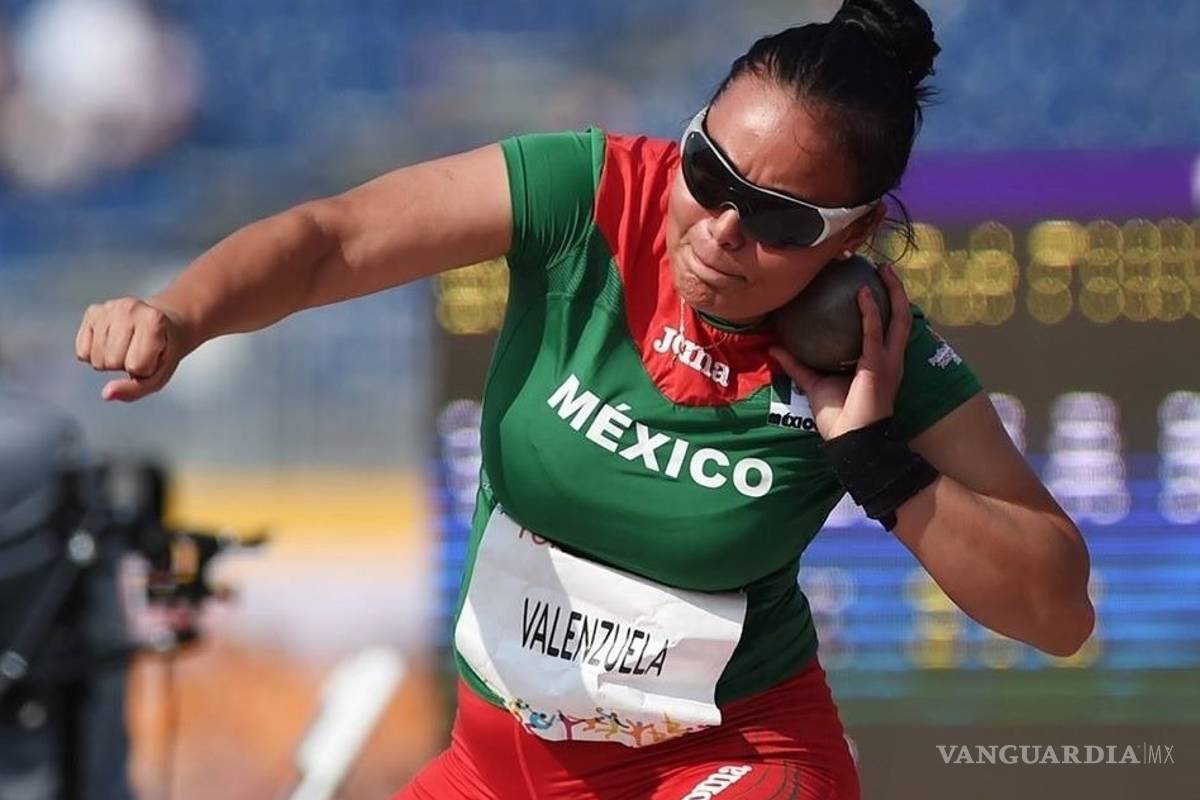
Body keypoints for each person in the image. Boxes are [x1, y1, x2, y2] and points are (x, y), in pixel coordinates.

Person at [75, 1, 1095, 797]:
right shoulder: (593, 194)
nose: (720, 230)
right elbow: (335, 240)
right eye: (710, 171)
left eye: (779, 218)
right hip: (491, 770)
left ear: (855, 234)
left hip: (731, 763)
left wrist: (879, 464)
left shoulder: (874, 350)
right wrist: (182, 314)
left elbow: (1057, 610)